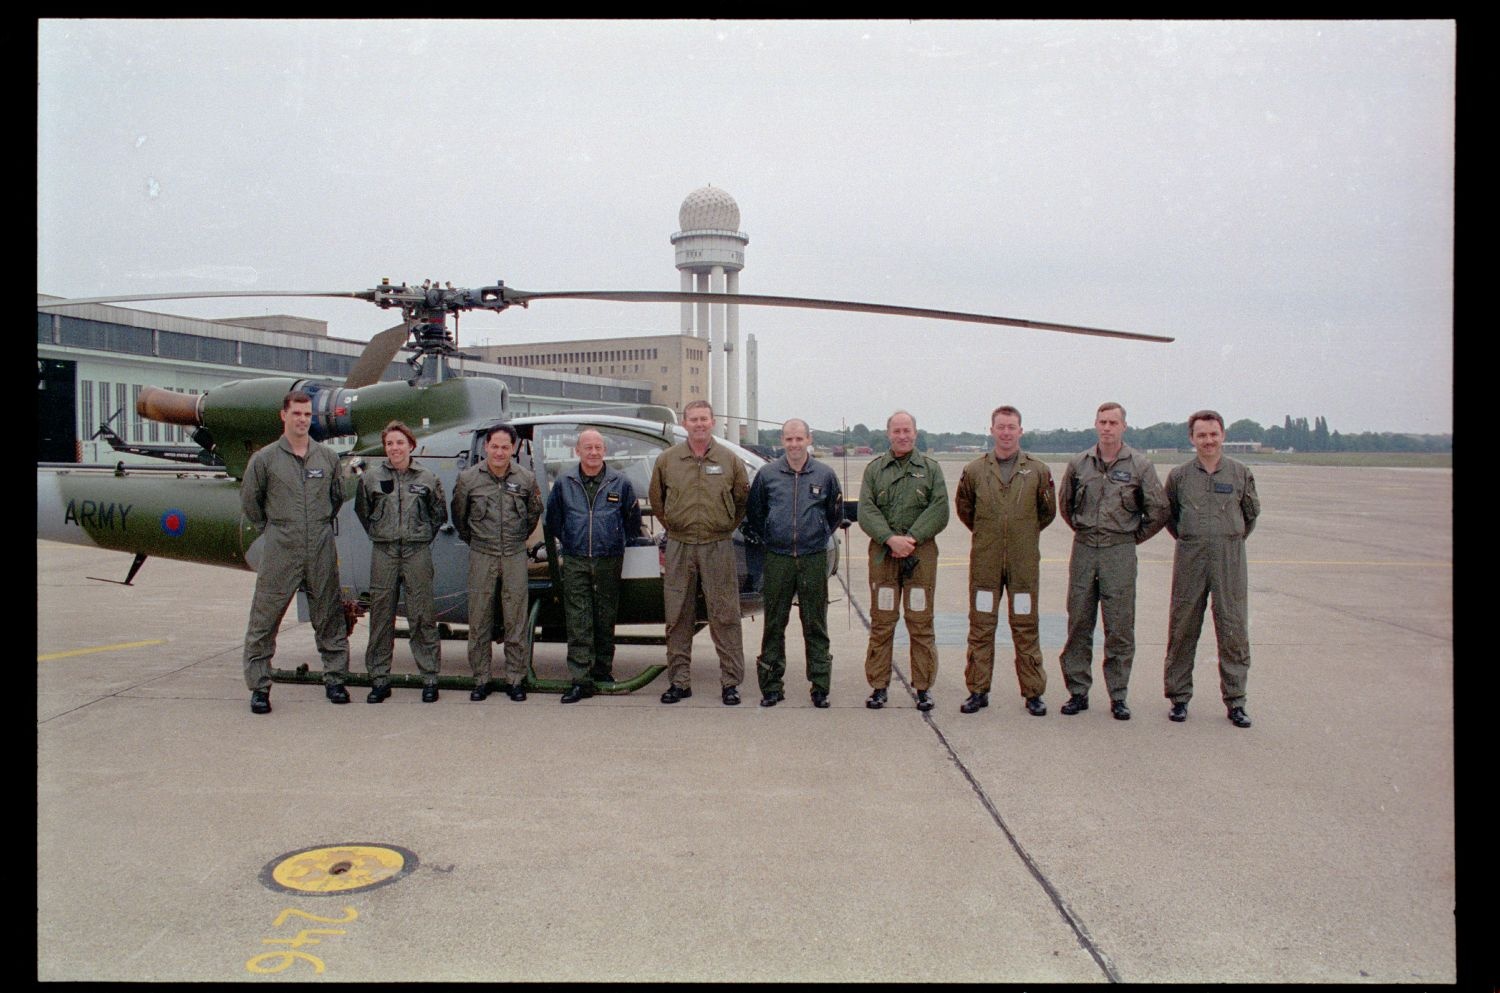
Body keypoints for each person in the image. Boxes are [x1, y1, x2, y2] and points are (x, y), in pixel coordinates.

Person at [1056, 402, 1169, 721]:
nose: (1107, 428)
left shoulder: (1140, 465)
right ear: (1096, 425)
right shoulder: (1079, 463)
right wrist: (1086, 530)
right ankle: (1078, 691)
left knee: (1119, 625)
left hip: (1119, 550)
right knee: (1079, 620)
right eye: (1102, 422)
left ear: (1123, 427)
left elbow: (1158, 509)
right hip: (1084, 548)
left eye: (1113, 422)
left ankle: (1118, 695)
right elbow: (1066, 505)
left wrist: (1131, 537)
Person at [240, 390, 350, 714]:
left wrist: (315, 526)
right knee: (265, 618)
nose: (302, 420)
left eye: (307, 415)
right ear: (283, 416)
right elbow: (251, 503)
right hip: (281, 545)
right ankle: (259, 687)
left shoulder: (327, 458)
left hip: (319, 543)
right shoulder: (265, 459)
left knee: (329, 615)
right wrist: (278, 528)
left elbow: (337, 498)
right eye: (297, 414)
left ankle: (335, 679)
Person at [954, 405, 1057, 716]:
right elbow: (965, 509)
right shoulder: (974, 470)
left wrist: (1020, 534)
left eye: (1012, 427)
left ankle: (1033, 693)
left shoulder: (1038, 470)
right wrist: (992, 534)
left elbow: (1047, 513)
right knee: (981, 626)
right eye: (1001, 427)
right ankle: (978, 690)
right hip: (985, 563)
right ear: (992, 430)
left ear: (1020, 431)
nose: (1006, 432)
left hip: (1023, 564)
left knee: (1026, 626)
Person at [1161, 410, 1261, 728]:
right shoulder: (1179, 477)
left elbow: (1250, 516)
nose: (1208, 440)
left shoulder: (1240, 473)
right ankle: (1179, 698)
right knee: (1182, 627)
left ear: (1223, 436)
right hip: (1190, 556)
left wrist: (1226, 538)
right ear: (1192, 438)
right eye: (1201, 435)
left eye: (1213, 434)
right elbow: (1171, 516)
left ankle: (1236, 702)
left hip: (1229, 557)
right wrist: (1194, 538)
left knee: (1232, 628)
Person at [647, 400, 750, 706]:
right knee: (678, 614)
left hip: (717, 545)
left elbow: (741, 501)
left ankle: (731, 683)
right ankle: (679, 682)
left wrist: (720, 526)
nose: (699, 424)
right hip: (679, 545)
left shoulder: (729, 460)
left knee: (725, 614)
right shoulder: (668, 460)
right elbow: (658, 501)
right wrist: (678, 526)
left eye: (704, 419)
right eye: (693, 419)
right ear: (685, 423)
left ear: (713, 421)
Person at [744, 418, 844, 708]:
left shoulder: (824, 475)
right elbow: (756, 513)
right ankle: (772, 686)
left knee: (815, 622)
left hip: (812, 558)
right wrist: (774, 536)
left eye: (799, 439)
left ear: (809, 439)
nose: (794, 444)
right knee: (774, 622)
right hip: (778, 558)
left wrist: (815, 534)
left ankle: (820, 685)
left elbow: (833, 515)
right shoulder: (767, 475)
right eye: (789, 439)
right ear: (782, 440)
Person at [543, 428, 644, 704]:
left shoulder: (620, 483)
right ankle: (580, 678)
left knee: (605, 614)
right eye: (588, 447)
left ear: (605, 451)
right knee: (578, 618)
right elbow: (553, 521)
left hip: (608, 559)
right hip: (575, 559)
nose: (593, 452)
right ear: (577, 451)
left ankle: (603, 670)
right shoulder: (564, 483)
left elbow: (632, 522)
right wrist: (573, 541)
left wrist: (614, 540)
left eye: (598, 447)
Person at [858, 410, 949, 711]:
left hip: (920, 555)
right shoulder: (875, 470)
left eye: (907, 430)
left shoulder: (931, 469)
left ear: (915, 432)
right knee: (882, 621)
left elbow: (939, 509)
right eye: (896, 430)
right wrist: (889, 538)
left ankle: (923, 687)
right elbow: (866, 511)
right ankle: (878, 686)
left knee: (920, 622)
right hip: (884, 555)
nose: (902, 435)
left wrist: (910, 539)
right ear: (888, 434)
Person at [354, 421, 447, 704]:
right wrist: (381, 533)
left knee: (422, 615)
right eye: (390, 443)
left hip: (417, 552)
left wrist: (420, 536)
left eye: (400, 443)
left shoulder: (428, 478)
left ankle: (430, 677)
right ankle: (380, 679)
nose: (395, 448)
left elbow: (438, 514)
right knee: (382, 616)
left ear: (411, 445)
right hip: (384, 552)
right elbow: (363, 510)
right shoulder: (370, 478)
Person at [451, 423, 543, 702]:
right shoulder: (469, 479)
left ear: (513, 449)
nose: (500, 452)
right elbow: (460, 517)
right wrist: (479, 542)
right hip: (482, 553)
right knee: (479, 619)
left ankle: (515, 678)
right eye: (495, 446)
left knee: (516, 618)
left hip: (514, 553)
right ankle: (481, 679)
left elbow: (532, 517)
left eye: (505, 447)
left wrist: (515, 541)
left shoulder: (526, 479)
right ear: (486, 447)